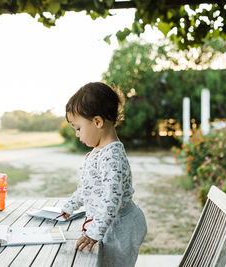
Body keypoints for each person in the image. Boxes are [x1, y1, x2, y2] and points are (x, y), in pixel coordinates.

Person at [60, 82, 147, 267]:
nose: (77, 134)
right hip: (109, 223)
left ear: (97, 122)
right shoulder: (99, 151)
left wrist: (93, 232)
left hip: (121, 227)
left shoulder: (112, 156)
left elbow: (111, 200)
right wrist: (70, 205)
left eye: (78, 128)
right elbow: (87, 187)